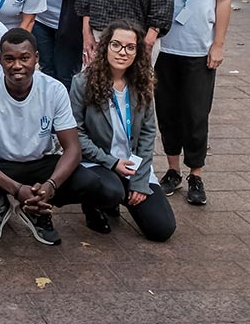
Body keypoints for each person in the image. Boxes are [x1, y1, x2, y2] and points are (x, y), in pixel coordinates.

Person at [0, 29, 119, 246]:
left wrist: (50, 186)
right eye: (9, 59)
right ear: (0, 60)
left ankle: (38, 209)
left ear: (36, 57)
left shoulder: (54, 90)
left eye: (24, 58)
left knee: (89, 183)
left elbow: (72, 149)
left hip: (41, 162)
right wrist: (16, 189)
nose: (17, 65)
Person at [155, 0, 235, 205]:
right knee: (167, 111)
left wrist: (218, 44)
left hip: (199, 49)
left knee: (196, 113)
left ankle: (196, 175)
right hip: (166, 47)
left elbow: (224, 0)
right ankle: (173, 170)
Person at [71, 20, 176, 242]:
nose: (122, 52)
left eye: (130, 47)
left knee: (162, 229)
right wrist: (111, 162)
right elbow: (76, 135)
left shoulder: (142, 83)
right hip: (98, 162)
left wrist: (139, 181)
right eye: (116, 45)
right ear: (105, 46)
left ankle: (123, 192)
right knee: (111, 190)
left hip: (132, 164)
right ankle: (95, 206)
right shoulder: (82, 83)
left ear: (137, 52)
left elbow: (148, 134)